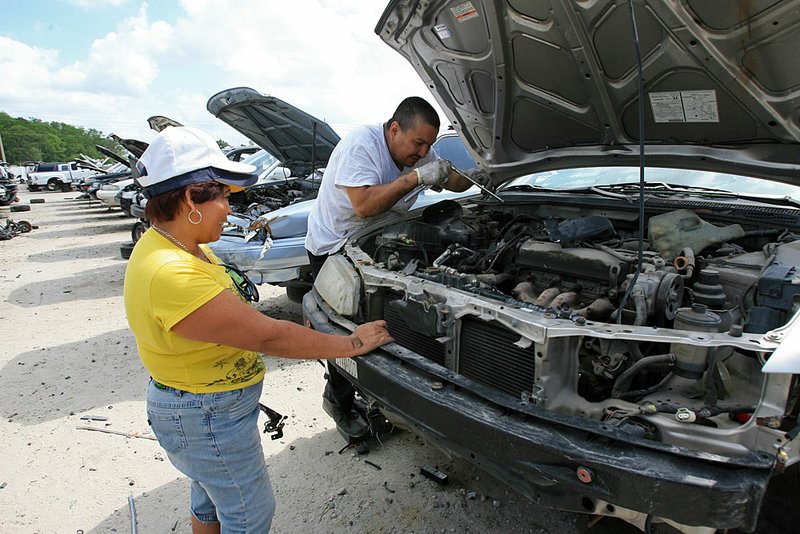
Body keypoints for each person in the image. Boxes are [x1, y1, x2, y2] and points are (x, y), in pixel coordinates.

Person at [123, 126, 393, 534]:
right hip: (205, 415)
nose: (229, 210)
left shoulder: (175, 244)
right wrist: (350, 343)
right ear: (189, 198)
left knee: (212, 500)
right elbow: (268, 335)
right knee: (249, 515)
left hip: (199, 407)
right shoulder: (171, 272)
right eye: (223, 197)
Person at [305, 96, 483, 442]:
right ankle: (338, 402)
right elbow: (364, 205)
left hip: (383, 243)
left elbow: (455, 182)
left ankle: (389, 395)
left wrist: (475, 174)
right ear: (395, 128)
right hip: (336, 249)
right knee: (348, 334)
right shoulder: (363, 144)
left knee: (389, 328)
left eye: (429, 145)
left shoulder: (418, 152)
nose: (423, 151)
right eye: (418, 143)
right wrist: (415, 177)